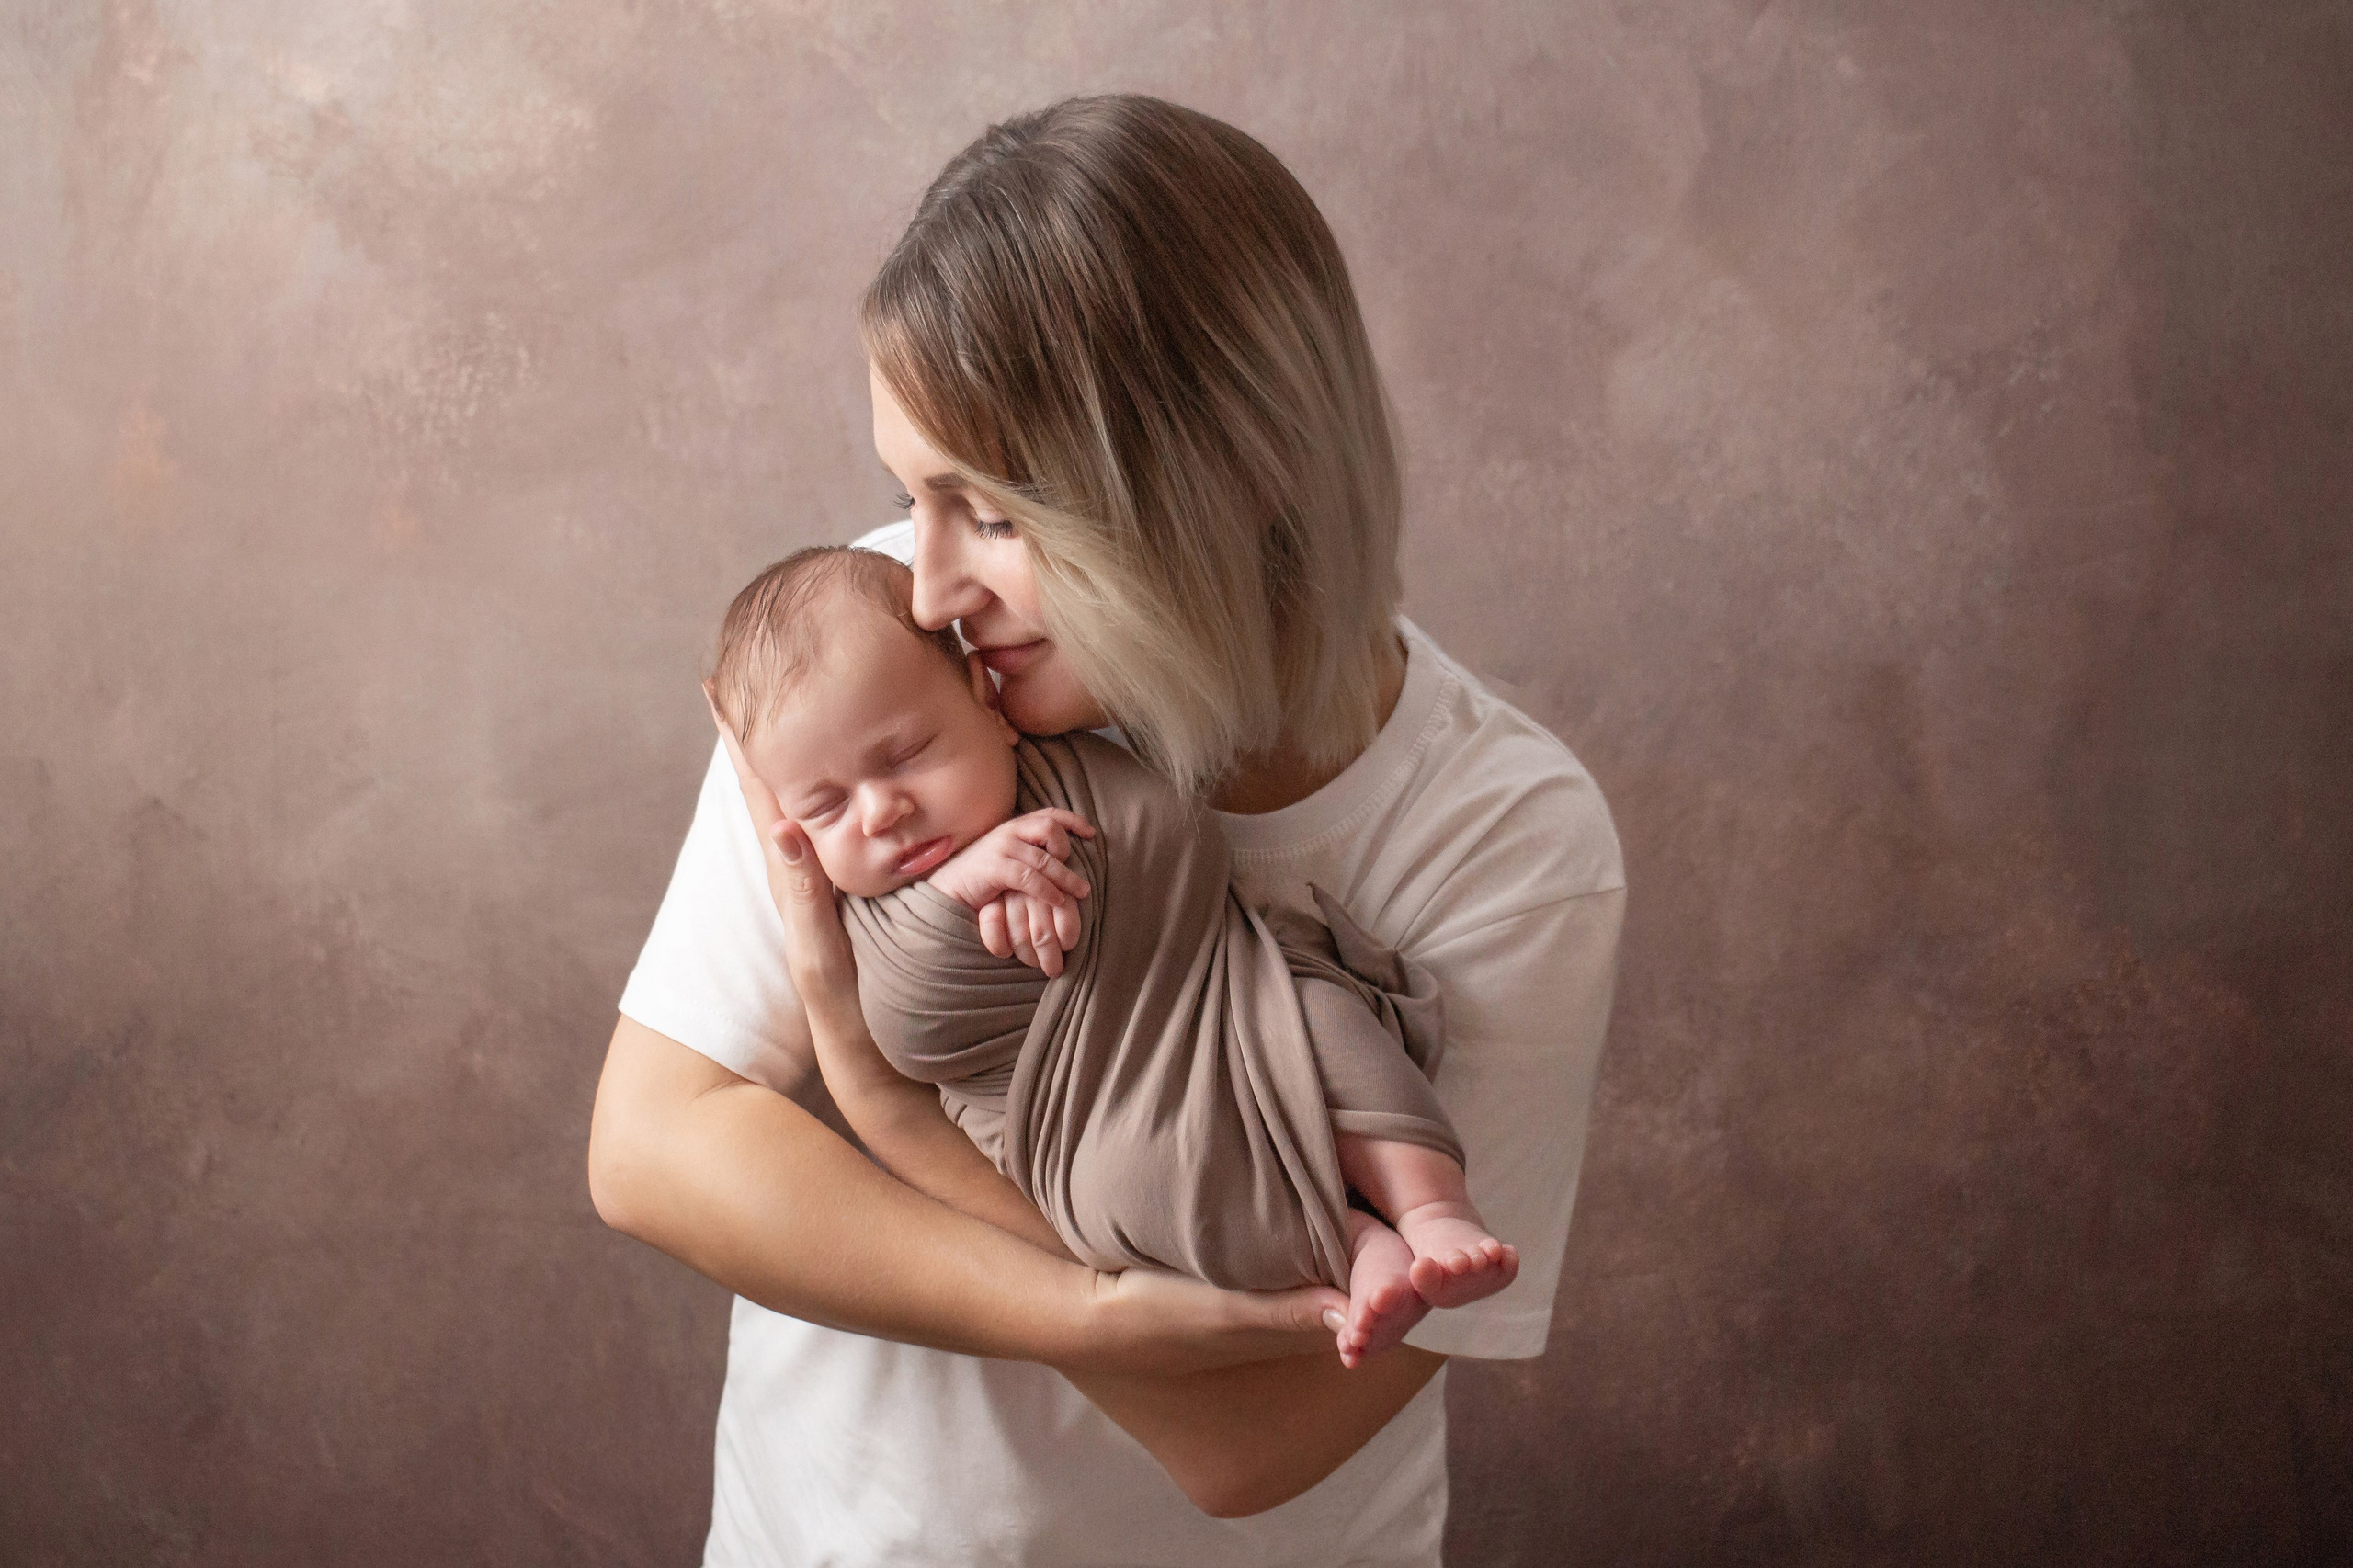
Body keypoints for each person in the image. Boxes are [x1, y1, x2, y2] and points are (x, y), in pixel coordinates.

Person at [588, 94, 1624, 1564]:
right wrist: (1095, 1305)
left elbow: (1250, 1444)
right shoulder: (870, 656)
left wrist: (883, 1111)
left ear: (1235, 474)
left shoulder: (1508, 841)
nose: (930, 581)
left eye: (994, 511)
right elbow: (653, 1147)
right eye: (909, 494)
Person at [701, 545, 1517, 1369]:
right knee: (1144, 1185)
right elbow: (913, 1015)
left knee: (1327, 1022)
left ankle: (1432, 1207)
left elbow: (1167, 836)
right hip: (1088, 1120)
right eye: (825, 806)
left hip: (1219, 1004)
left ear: (985, 697)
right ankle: (1347, 1241)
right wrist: (959, 891)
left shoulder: (1055, 737)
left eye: (907, 755)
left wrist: (1076, 868)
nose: (881, 813)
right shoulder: (859, 901)